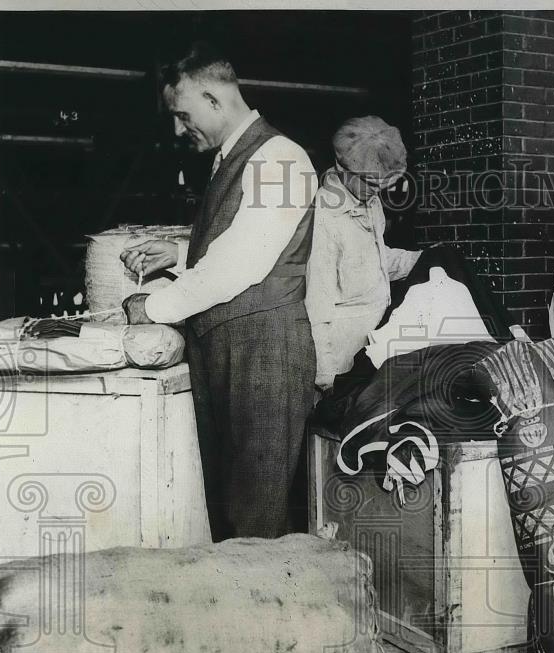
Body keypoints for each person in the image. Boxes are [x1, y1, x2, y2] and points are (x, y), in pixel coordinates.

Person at [120, 42, 318, 541]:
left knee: (256, 514)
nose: (178, 128)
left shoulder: (281, 157)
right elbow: (244, 245)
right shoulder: (231, 159)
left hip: (264, 352)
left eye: (183, 114)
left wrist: (153, 306)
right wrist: (182, 254)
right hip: (232, 347)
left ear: (213, 98)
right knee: (231, 510)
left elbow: (241, 265)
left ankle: (271, 619)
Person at [305, 116, 422, 388]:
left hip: (371, 348)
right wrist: (326, 376)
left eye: (383, 185)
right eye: (372, 184)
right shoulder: (324, 218)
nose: (377, 193)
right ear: (341, 167)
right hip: (340, 357)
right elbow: (316, 304)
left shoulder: (369, 201)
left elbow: (375, 260)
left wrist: (420, 259)